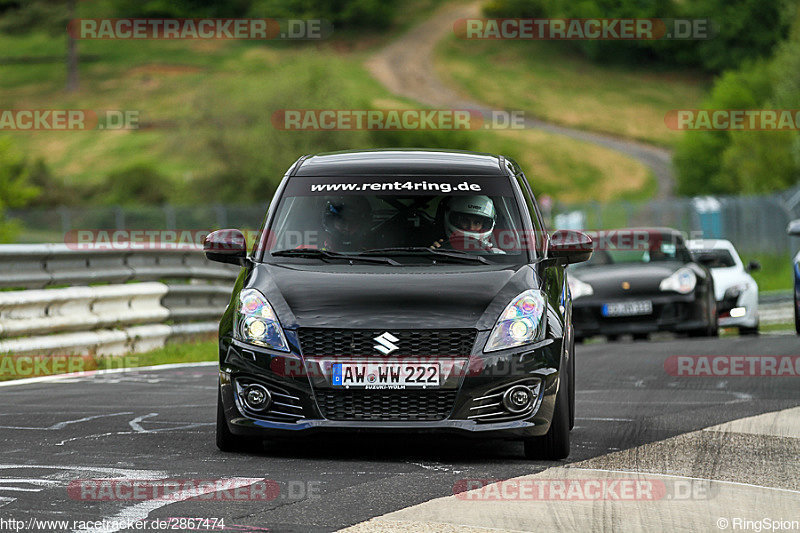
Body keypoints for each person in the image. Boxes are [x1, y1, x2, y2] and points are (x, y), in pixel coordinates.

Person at [431, 195, 504, 253]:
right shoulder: (439, 249)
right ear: (455, 220)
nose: (471, 227)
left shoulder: (497, 256)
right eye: (465, 221)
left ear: (484, 225)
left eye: (477, 223)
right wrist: (435, 255)